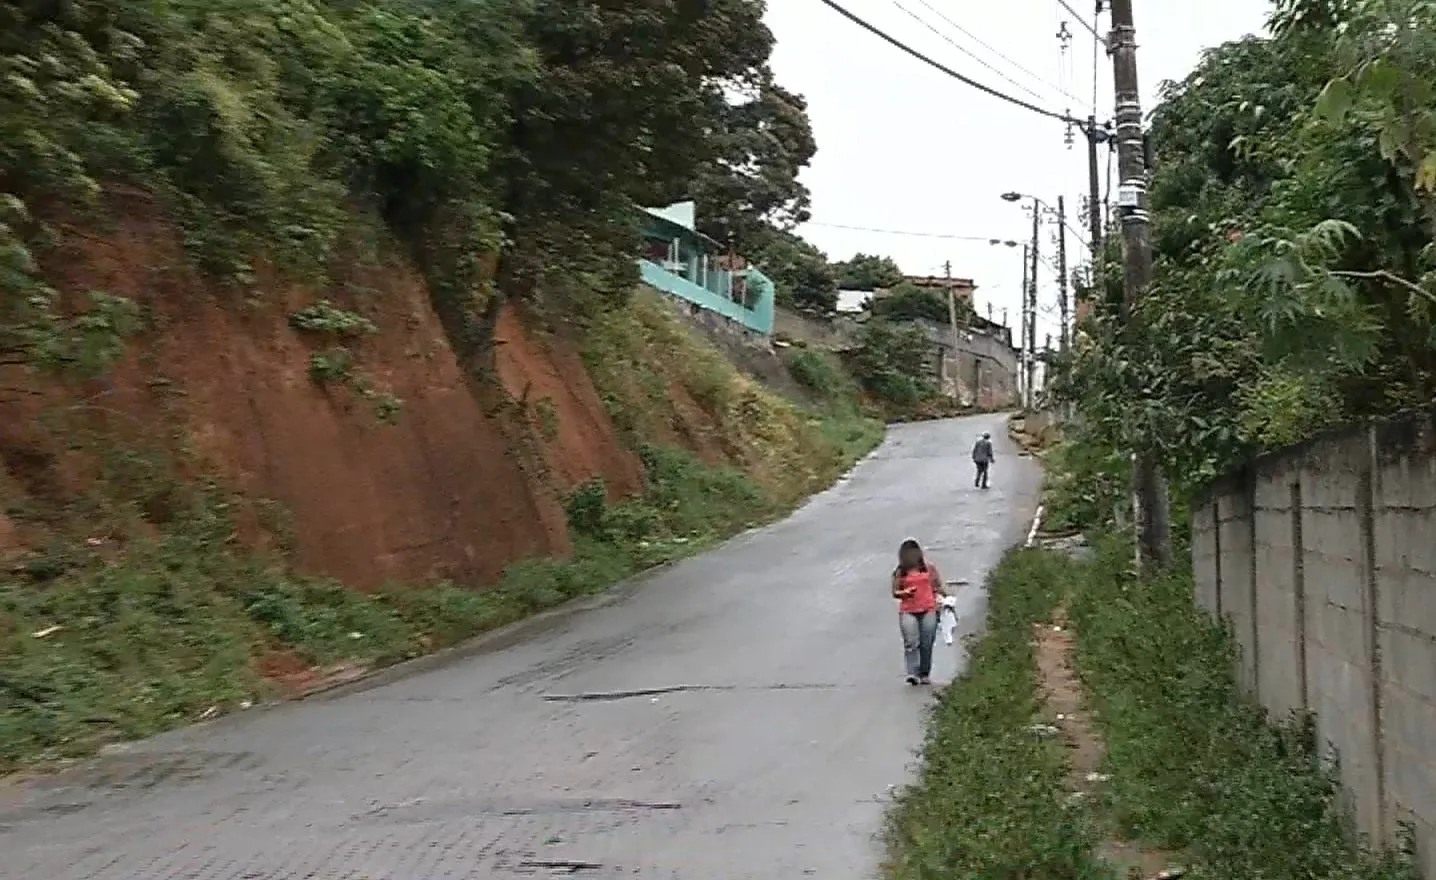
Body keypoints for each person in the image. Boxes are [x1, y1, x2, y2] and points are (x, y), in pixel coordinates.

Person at [891, 539, 946, 685]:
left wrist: (947, 599)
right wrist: (905, 592)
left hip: (929, 608)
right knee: (911, 642)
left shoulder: (929, 568)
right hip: (908, 610)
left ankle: (924, 672)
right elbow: (895, 592)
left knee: (927, 642)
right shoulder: (900, 572)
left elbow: (938, 586)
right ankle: (912, 673)